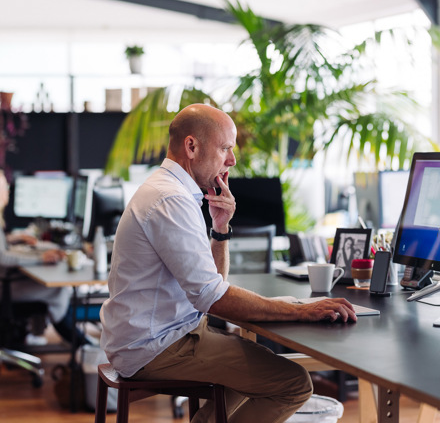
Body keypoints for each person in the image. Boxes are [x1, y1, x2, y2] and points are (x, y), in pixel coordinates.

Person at [100, 104, 357, 423]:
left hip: (164, 334)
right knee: (292, 383)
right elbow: (211, 297)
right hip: (156, 346)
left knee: (258, 371)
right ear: (191, 146)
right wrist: (300, 309)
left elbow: (210, 286)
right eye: (225, 149)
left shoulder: (174, 191)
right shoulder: (171, 199)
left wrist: (220, 228)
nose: (232, 161)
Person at [0, 170, 90, 346]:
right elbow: (3, 258)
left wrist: (12, 238)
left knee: (53, 288)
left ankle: (35, 333)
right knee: (58, 290)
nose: (8, 191)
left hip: (4, 283)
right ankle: (81, 344)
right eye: (4, 187)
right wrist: (41, 258)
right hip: (3, 289)